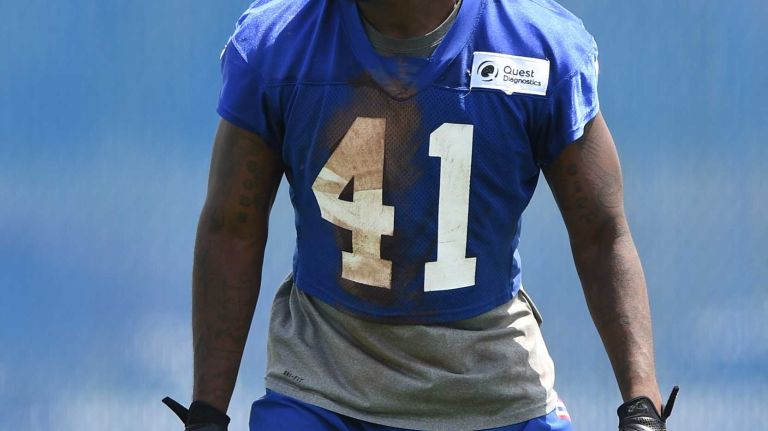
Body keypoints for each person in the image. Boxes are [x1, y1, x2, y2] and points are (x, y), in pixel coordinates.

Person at [163, 0, 678, 430]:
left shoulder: (537, 48)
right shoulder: (277, 46)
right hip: (324, 385)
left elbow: (601, 232)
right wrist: (208, 409)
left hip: (493, 386)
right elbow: (233, 226)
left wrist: (642, 403)